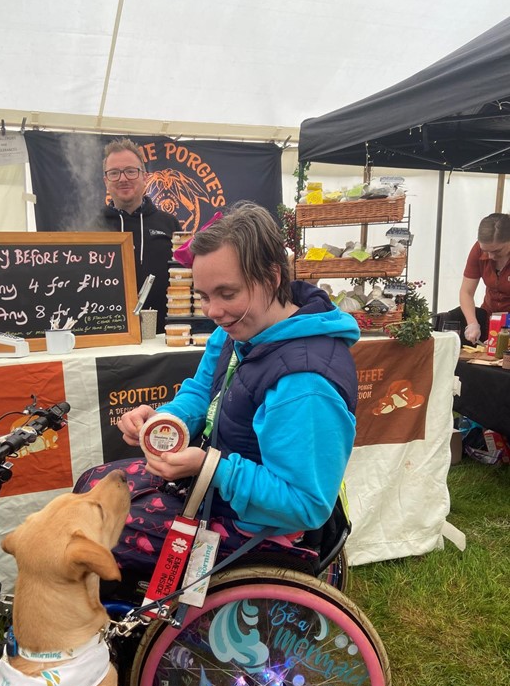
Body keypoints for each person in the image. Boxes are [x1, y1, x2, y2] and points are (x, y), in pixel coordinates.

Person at [78, 202, 360, 581]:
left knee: (90, 531)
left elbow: (305, 504)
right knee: (91, 485)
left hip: (261, 531)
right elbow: (200, 392)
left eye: (227, 293)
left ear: (272, 276)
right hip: (218, 494)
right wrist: (167, 421)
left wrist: (209, 467)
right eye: (204, 296)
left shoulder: (304, 384)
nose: (212, 310)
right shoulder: (236, 330)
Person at [94, 138, 180, 331]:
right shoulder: (92, 227)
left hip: (164, 337)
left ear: (144, 177)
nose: (123, 179)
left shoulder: (170, 224)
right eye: (114, 173)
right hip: (108, 334)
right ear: (106, 181)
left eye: (131, 171)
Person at [459, 213, 510, 344]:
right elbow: (466, 292)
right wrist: (472, 323)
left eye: (497, 251)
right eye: (486, 250)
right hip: (490, 318)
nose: (491, 256)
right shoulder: (478, 250)